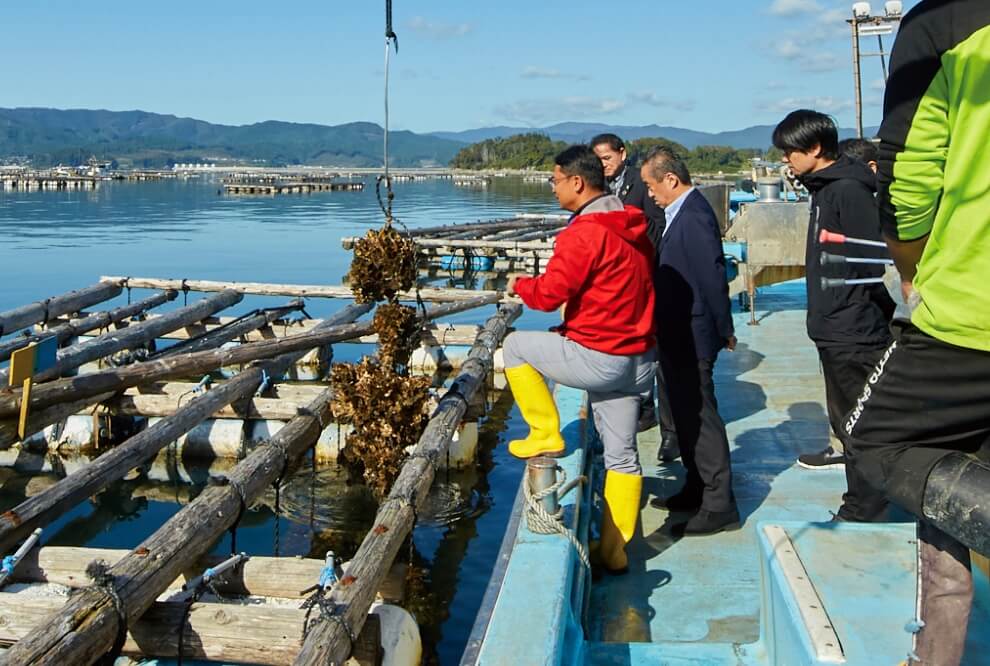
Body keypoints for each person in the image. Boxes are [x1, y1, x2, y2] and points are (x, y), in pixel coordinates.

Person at [844, 2, 990, 663]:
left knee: (879, 443)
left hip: (970, 308)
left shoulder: (949, 17)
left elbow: (907, 174)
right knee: (958, 479)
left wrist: (913, 271)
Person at [504, 144, 656, 573]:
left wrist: (520, 285)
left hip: (601, 356)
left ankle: (545, 432)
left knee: (515, 347)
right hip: (640, 360)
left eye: (554, 181)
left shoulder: (583, 232)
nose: (552, 189)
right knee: (623, 456)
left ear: (576, 182)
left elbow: (551, 294)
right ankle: (614, 550)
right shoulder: (631, 223)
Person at [772, 110, 894, 523]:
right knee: (846, 421)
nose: (786, 160)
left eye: (791, 151)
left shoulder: (846, 190)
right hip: (834, 327)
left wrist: (843, 302)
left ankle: (865, 507)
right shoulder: (823, 188)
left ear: (815, 148)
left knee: (859, 421)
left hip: (852, 330)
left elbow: (871, 257)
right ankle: (862, 499)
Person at [640, 147, 739, 536]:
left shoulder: (694, 215)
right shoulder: (677, 214)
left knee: (701, 414)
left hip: (693, 331)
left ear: (670, 179)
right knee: (683, 414)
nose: (648, 193)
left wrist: (724, 327)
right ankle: (696, 486)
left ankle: (719, 504)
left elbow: (712, 276)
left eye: (650, 185)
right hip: (675, 330)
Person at [590, 133, 679, 461]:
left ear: (622, 153)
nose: (603, 164)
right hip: (612, 288)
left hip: (644, 281)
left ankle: (671, 432)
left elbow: (657, 230)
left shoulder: (641, 185)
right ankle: (640, 411)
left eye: (607, 157)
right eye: (597, 159)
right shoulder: (598, 188)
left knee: (658, 356)